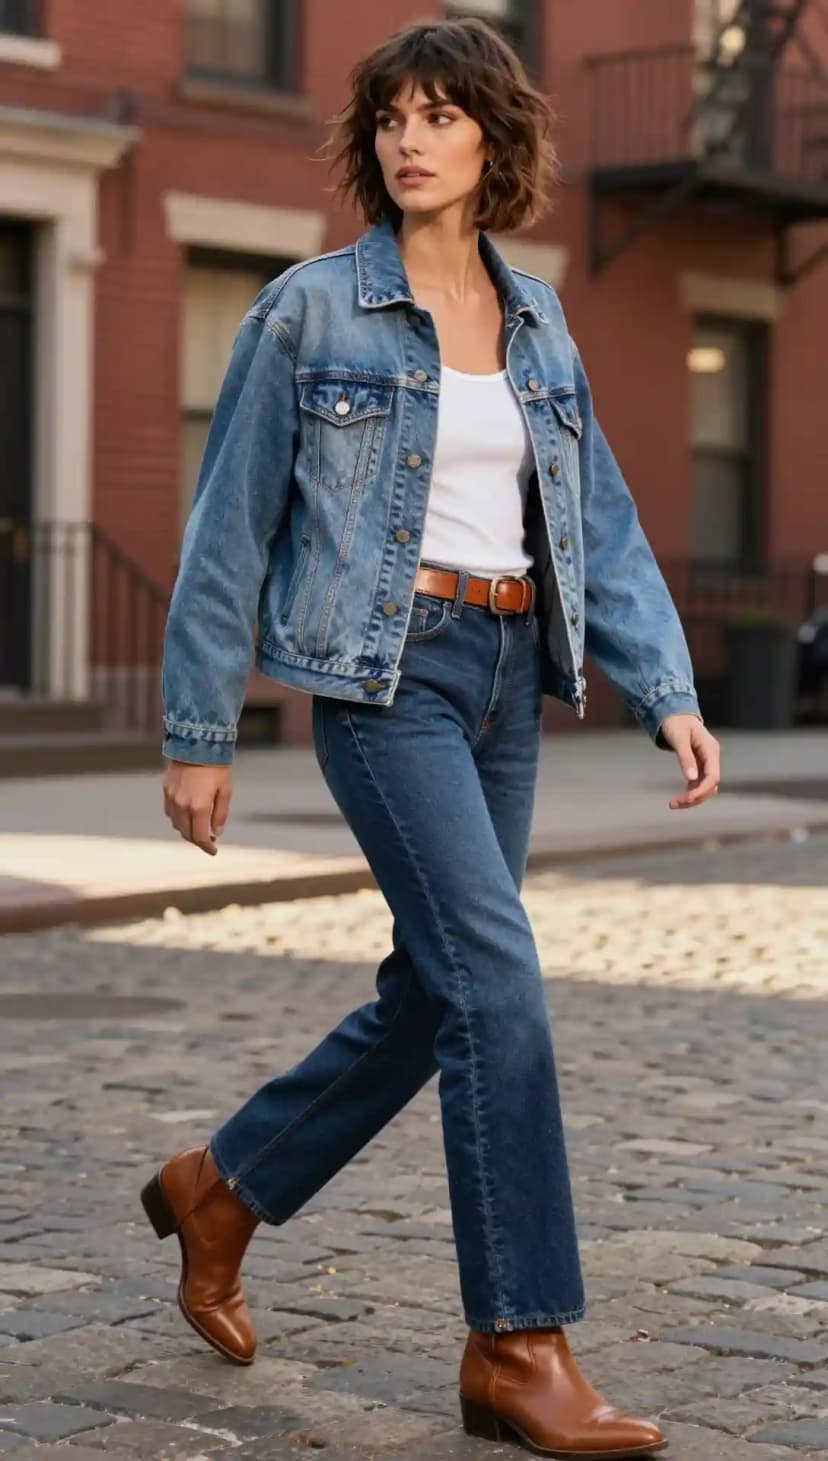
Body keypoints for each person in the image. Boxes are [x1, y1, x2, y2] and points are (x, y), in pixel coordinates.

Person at [145, 16, 721, 1457]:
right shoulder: (308, 312)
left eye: (440, 116)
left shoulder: (541, 323)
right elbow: (231, 527)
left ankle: (222, 1188)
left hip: (508, 668)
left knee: (438, 988)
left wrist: (668, 686)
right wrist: (200, 726)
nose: (411, 138)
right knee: (500, 982)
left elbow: (598, 519)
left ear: (490, 142)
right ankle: (518, 1342)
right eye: (392, 117)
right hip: (380, 674)